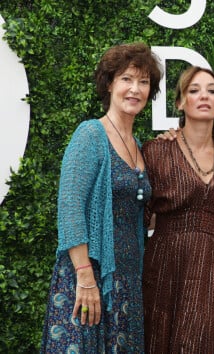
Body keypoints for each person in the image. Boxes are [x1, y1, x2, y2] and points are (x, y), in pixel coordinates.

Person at [40, 42, 162, 352]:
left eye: (144, 81)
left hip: (126, 280)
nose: (135, 89)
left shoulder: (137, 144)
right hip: (88, 277)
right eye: (126, 79)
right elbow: (70, 209)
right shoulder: (90, 134)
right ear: (109, 84)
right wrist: (85, 277)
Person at [141, 66, 214, 353]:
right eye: (194, 90)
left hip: (211, 261)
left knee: (201, 338)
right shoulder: (156, 150)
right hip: (165, 259)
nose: (204, 96)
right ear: (180, 103)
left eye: (212, 91)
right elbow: (140, 215)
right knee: (159, 335)